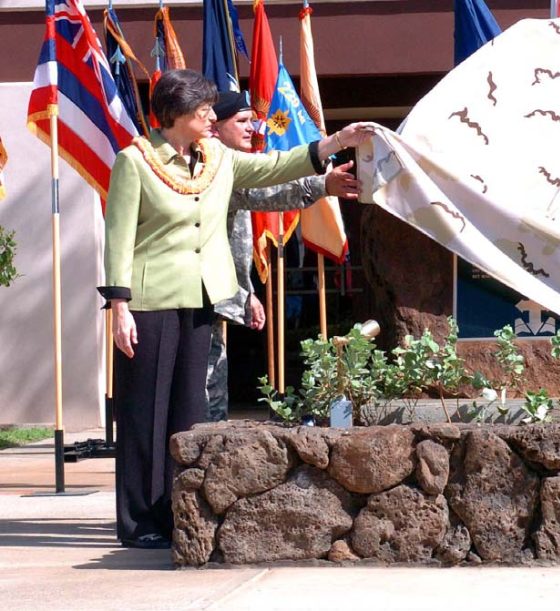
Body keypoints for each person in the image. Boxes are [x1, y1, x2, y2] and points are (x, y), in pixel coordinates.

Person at [99, 69, 371, 549]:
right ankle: (140, 520)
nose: (211, 115)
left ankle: (177, 512)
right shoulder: (134, 162)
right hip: (150, 299)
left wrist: (332, 144)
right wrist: (118, 306)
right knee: (145, 411)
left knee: (188, 410)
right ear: (178, 113)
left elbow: (273, 168)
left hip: (204, 297)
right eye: (203, 109)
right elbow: (118, 238)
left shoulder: (217, 157)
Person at [205, 91, 361, 422]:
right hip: (200, 299)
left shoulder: (228, 165)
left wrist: (245, 293)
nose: (253, 130)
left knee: (211, 389)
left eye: (253, 121)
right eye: (242, 122)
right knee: (204, 395)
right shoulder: (214, 168)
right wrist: (324, 185)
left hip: (219, 294)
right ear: (214, 128)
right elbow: (272, 189)